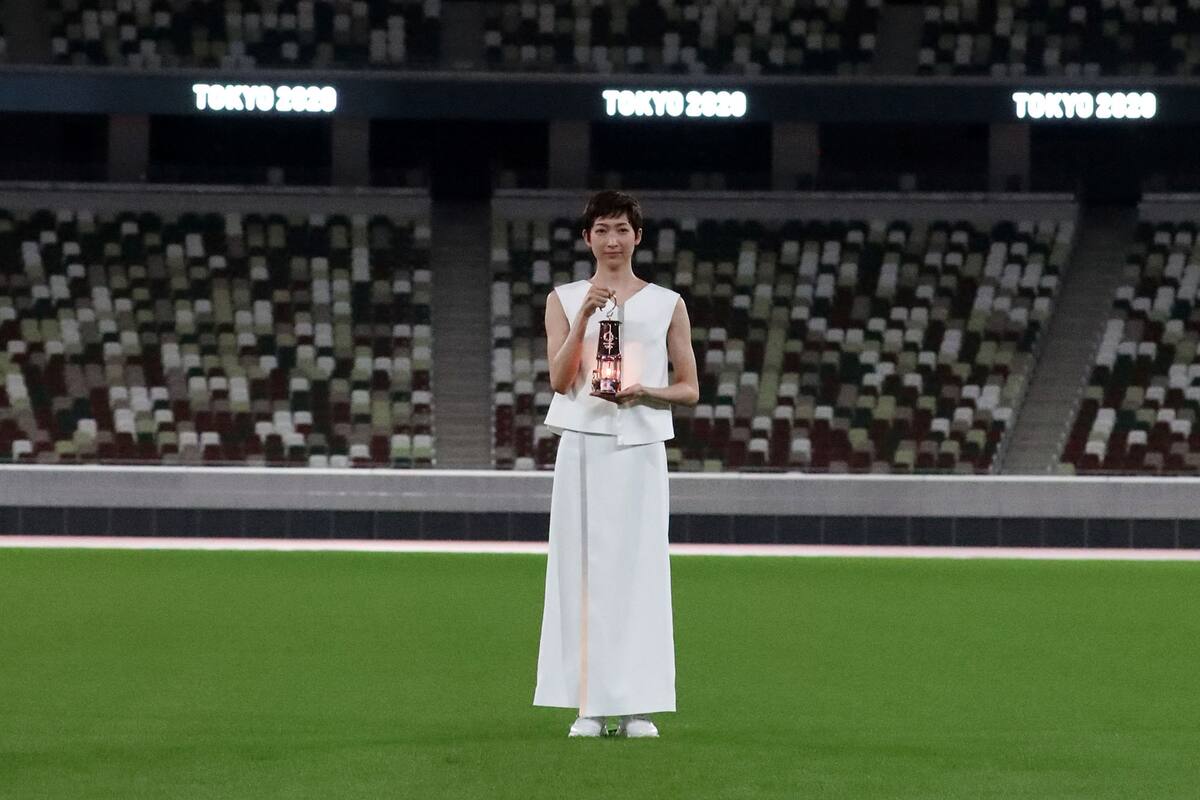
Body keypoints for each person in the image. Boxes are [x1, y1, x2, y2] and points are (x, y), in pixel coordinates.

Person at [533, 190, 699, 738]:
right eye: (602, 230)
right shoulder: (564, 299)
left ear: (637, 236)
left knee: (641, 573)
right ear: (587, 238)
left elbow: (689, 388)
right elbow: (560, 380)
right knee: (582, 572)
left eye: (622, 229)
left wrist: (646, 391)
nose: (612, 240)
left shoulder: (667, 303)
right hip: (584, 444)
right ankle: (589, 705)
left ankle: (637, 706)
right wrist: (583, 316)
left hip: (640, 447)